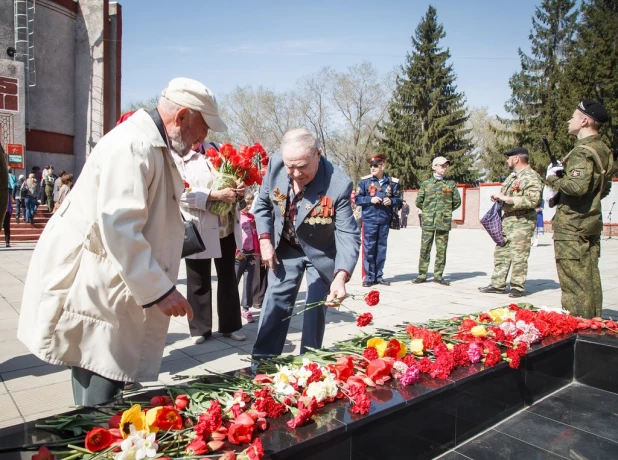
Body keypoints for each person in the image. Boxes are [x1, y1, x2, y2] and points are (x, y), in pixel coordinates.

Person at [17, 77, 222, 406]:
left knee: (96, 365)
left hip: (109, 278)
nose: (204, 137)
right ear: (182, 116)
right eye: (204, 126)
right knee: (102, 375)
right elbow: (120, 225)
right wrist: (160, 289)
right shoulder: (134, 145)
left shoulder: (149, 142)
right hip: (98, 278)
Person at [252, 128, 360, 360]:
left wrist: (341, 276)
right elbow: (262, 205)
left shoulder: (338, 184)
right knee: (275, 304)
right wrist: (265, 241)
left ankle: (308, 365)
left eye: (302, 166)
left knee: (314, 309)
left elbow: (347, 233)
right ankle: (262, 364)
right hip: (286, 247)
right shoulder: (276, 165)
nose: (295, 173)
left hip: (319, 252)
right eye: (290, 166)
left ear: (318, 154)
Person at [546, 100, 613, 318]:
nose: (569, 120)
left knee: (574, 284)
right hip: (589, 222)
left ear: (584, 121)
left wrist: (553, 179)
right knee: (590, 279)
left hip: (572, 227)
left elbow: (576, 186)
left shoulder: (581, 152)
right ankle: (593, 325)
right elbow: (604, 187)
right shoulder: (603, 150)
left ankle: (578, 330)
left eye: (573, 116)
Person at [175, 140, 246, 344]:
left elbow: (234, 179)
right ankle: (200, 330)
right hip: (200, 227)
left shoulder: (218, 150)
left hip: (226, 226)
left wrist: (240, 188)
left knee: (228, 278)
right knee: (198, 279)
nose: (198, 135)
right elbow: (179, 194)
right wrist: (213, 196)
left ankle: (230, 326)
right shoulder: (178, 157)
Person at [479, 148, 543, 298]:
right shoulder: (513, 177)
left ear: (516, 159)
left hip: (523, 220)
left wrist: (510, 200)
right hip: (508, 219)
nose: (507, 161)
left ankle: (517, 287)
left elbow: (534, 200)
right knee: (501, 252)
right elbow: (506, 194)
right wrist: (499, 197)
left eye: (509, 158)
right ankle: (497, 284)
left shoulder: (531, 176)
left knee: (519, 255)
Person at [413, 157, 461, 286]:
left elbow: (457, 201)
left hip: (443, 222)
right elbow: (419, 201)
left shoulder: (450, 184)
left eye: (445, 166)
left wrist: (445, 211)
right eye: (441, 166)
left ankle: (438, 276)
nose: (444, 168)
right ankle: (422, 275)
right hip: (428, 221)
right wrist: (428, 211)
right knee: (425, 249)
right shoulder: (426, 184)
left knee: (441, 250)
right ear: (434, 167)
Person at [355, 153, 401, 287]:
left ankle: (378, 276)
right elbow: (357, 199)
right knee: (369, 248)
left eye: (375, 166)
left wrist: (391, 200)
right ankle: (368, 277)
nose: (372, 168)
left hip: (384, 219)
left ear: (383, 166)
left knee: (381, 249)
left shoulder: (392, 183)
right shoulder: (365, 182)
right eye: (371, 166)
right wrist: (370, 199)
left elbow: (399, 200)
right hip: (369, 219)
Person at [235, 190, 259, 323]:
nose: (249, 206)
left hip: (251, 253)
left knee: (249, 281)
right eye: (246, 203)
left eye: (250, 203)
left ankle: (245, 308)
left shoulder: (251, 217)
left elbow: (255, 235)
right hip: (240, 254)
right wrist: (236, 250)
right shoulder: (237, 217)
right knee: (234, 281)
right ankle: (232, 307)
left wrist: (257, 251)